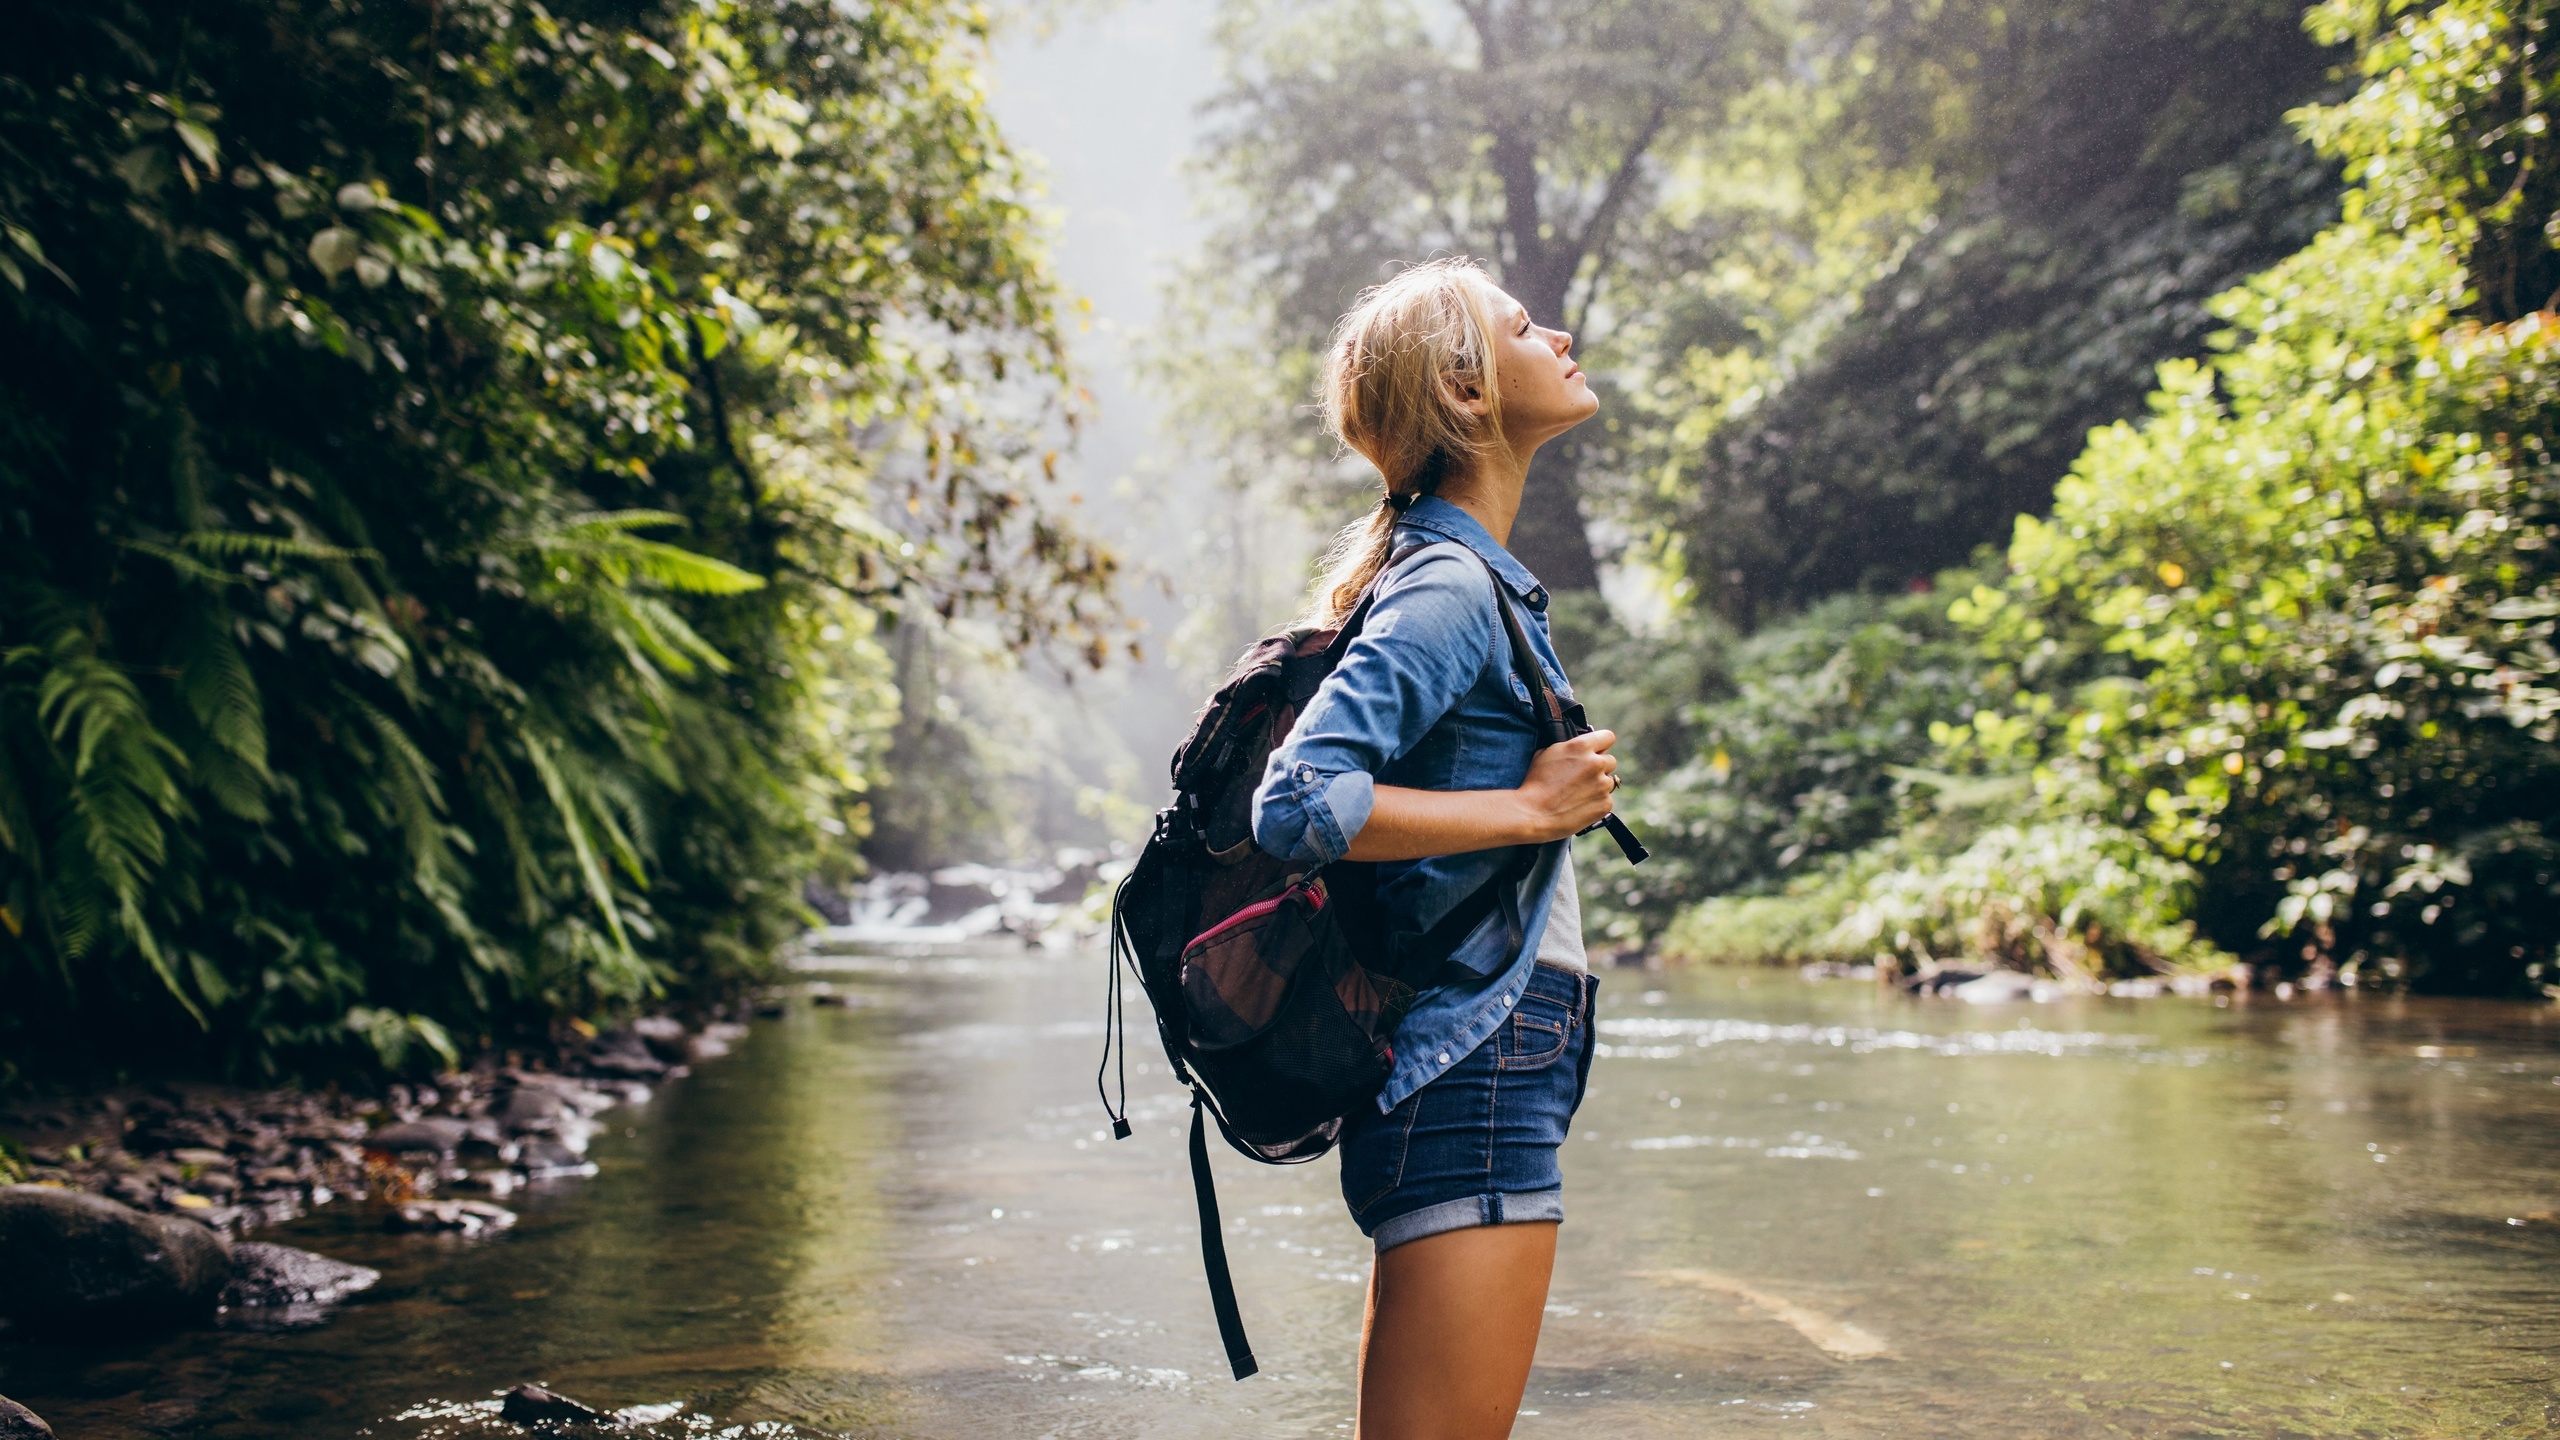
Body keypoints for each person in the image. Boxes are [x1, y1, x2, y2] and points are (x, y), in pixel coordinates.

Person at [1250, 257, 1618, 1440]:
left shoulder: (1465, 578)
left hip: (1485, 1052)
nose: (1556, 333)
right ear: (1466, 392)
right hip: (1475, 1059)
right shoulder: (1453, 586)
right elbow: (1297, 803)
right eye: (1522, 326)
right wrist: (1527, 810)